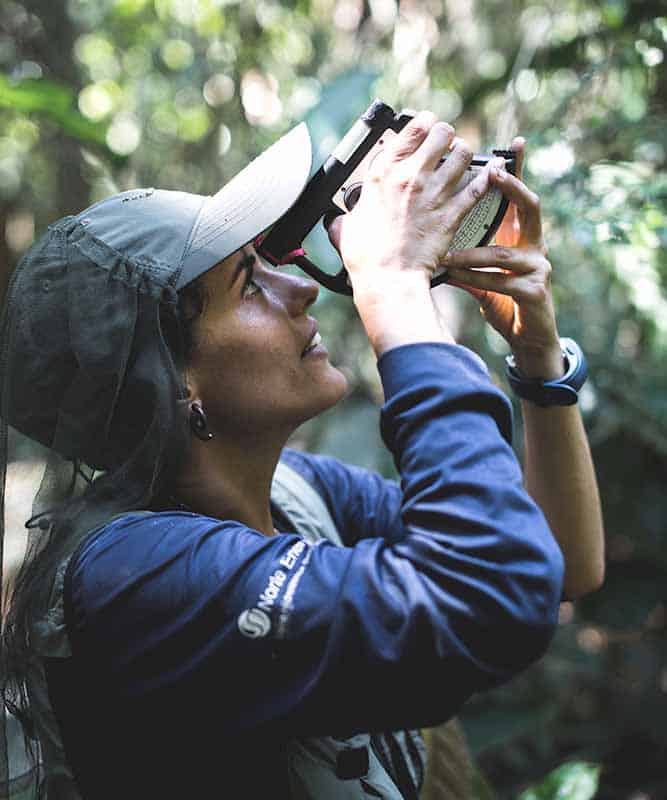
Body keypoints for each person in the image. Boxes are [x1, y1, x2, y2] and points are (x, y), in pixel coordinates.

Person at [0, 110, 604, 799]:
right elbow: (488, 599)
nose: (303, 286)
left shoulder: (297, 494)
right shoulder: (132, 576)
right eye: (248, 285)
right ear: (173, 385)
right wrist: (395, 291)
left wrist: (535, 354)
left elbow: (554, 562)